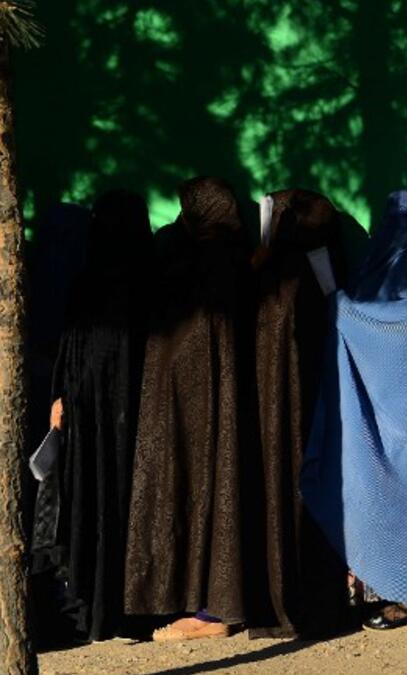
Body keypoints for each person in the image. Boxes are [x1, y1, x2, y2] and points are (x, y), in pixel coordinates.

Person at [124, 177, 258, 641]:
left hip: (192, 410)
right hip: (220, 410)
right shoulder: (241, 260)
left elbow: (187, 340)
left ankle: (208, 610)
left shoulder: (197, 265)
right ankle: (212, 604)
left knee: (201, 493)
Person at [301, 191, 407, 632]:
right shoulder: (389, 264)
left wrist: (341, 308)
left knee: (406, 496)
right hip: (394, 409)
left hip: (406, 409)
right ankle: (387, 587)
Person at [30, 191, 153, 643]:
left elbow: (71, 358)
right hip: (137, 429)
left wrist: (61, 403)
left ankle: (92, 605)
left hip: (90, 428)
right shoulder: (154, 283)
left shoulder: (90, 283)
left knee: (92, 508)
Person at [250, 189, 353, 638]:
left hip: (278, 419)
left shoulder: (277, 273)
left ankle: (284, 600)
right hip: (323, 408)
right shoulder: (327, 264)